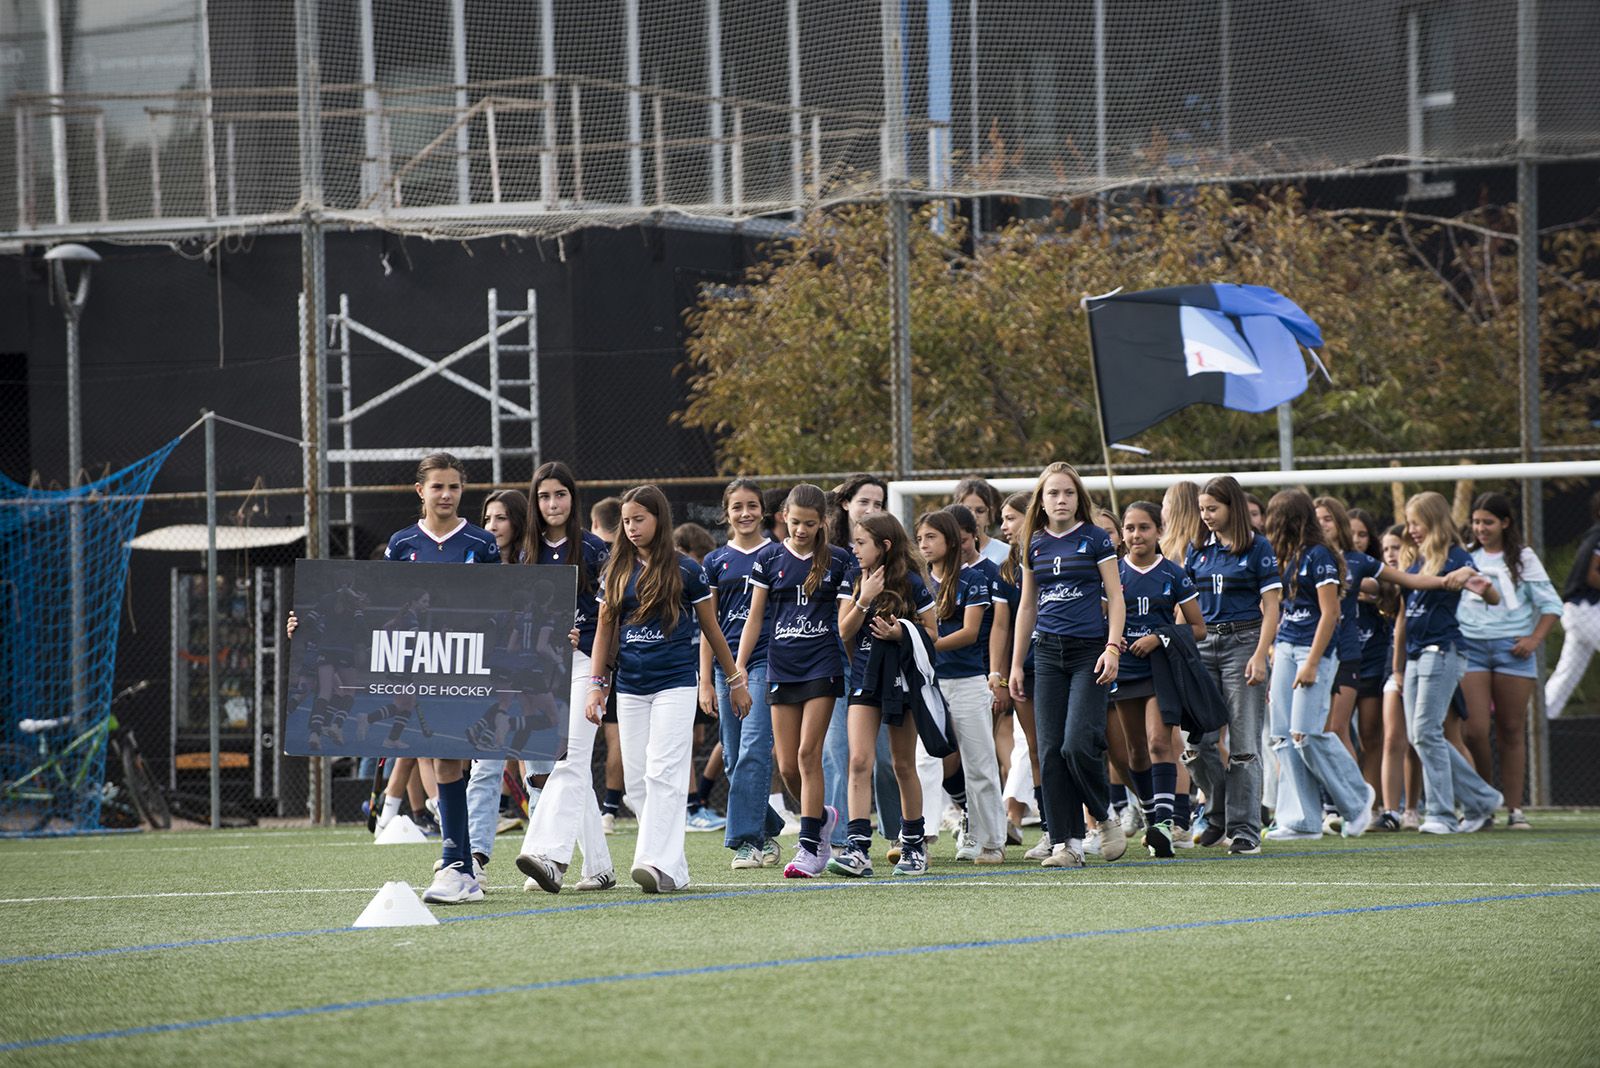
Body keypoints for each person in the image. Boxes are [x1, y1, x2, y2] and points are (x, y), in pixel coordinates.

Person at [584, 485, 749, 893]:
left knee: (664, 771)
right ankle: (673, 867)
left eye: (639, 519)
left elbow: (712, 629)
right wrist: (596, 686)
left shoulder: (687, 570)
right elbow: (605, 630)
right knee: (638, 782)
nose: (631, 527)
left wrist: (734, 680)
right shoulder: (615, 569)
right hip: (630, 686)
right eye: (625, 521)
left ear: (658, 519)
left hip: (675, 684)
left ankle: (653, 862)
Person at [365, 453, 503, 903]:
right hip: (420, 665)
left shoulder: (482, 544)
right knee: (443, 757)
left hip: (467, 664)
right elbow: (383, 609)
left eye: (455, 487)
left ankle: (457, 865)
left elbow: (501, 607)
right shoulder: (402, 543)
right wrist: (308, 624)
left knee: (452, 757)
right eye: (438, 487)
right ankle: (458, 866)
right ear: (420, 491)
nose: (446, 495)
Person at [1008, 462, 1127, 868]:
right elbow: (1027, 606)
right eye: (1053, 493)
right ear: (1041, 501)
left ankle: (1105, 815)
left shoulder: (1095, 539)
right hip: (1046, 653)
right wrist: (1015, 664)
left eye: (1068, 493)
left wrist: (1112, 647)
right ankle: (1067, 843)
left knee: (1078, 742)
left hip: (1089, 652)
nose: (1061, 500)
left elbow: (1116, 596)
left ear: (1079, 499)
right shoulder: (1034, 543)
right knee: (1051, 750)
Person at [736, 483, 854, 878]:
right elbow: (755, 618)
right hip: (780, 667)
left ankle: (809, 847)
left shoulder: (839, 561)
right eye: (794, 521)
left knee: (808, 754)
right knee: (786, 766)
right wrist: (738, 665)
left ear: (822, 523)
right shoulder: (768, 558)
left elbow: (845, 622)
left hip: (823, 665)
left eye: (809, 524)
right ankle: (822, 818)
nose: (800, 530)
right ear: (783, 515)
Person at [514, 462, 617, 894]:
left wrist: (588, 644)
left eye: (560, 494)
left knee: (570, 759)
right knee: (569, 763)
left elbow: (613, 613)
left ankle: (550, 857)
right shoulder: (526, 554)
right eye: (543, 496)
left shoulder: (595, 549)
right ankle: (600, 868)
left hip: (586, 666)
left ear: (573, 499)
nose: (552, 504)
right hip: (542, 670)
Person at [1383, 491, 1501, 835]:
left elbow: (1491, 596)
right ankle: (1482, 799)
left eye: (1417, 522)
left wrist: (1468, 577)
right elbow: (1403, 617)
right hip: (1416, 656)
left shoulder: (1457, 557)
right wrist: (1398, 666)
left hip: (1443, 650)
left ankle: (1442, 814)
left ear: (1434, 521)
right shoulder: (1413, 559)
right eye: (1409, 522)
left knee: (1426, 732)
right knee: (1420, 736)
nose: (1411, 529)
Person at [1262, 489, 1374, 841]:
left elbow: (1331, 613)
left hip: (1314, 653)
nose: (1269, 525)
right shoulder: (1287, 556)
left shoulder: (1320, 555)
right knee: (1282, 736)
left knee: (1306, 735)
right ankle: (1301, 820)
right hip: (1285, 647)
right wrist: (1273, 651)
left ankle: (1358, 799)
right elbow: (1282, 610)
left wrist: (1311, 662)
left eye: (1274, 518)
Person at [832, 512, 939, 876]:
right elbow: (844, 632)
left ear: (885, 546)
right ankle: (858, 848)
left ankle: (913, 844)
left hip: (902, 684)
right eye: (854, 542)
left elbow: (933, 634)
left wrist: (900, 634)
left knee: (902, 764)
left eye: (862, 543)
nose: (855, 549)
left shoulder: (911, 581)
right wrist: (865, 599)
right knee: (859, 761)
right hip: (864, 679)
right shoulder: (853, 577)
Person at [1185, 475, 1281, 854]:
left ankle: (1244, 831)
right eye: (1202, 509)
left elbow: (1272, 607)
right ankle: (1218, 810)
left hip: (1244, 643)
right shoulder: (1197, 549)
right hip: (1202, 644)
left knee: (1243, 745)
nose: (1206, 515)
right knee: (1196, 743)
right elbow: (1184, 605)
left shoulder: (1258, 547)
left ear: (1232, 507)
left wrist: (1260, 654)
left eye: (1213, 508)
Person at [1458, 492, 1561, 829]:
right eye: (1476, 522)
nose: (1480, 528)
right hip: (1470, 646)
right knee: (1474, 731)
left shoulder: (1523, 558)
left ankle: (1515, 809)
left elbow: (1551, 606)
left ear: (1505, 523)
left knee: (1511, 729)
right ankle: (1484, 803)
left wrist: (1533, 639)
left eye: (1487, 522)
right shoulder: (1464, 556)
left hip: (1512, 650)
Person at [701, 479, 786, 870]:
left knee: (753, 748)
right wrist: (706, 679)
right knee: (734, 761)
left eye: (752, 505)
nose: (746, 513)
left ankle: (746, 842)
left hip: (764, 662)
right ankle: (769, 830)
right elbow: (709, 625)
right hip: (724, 666)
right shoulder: (714, 561)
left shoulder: (777, 554)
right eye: (737, 507)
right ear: (726, 513)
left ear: (763, 511)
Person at [1112, 500, 1204, 857]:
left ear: (1158, 531)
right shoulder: (1113, 573)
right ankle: (1153, 817)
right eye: (1130, 528)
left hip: (1160, 670)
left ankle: (1164, 824)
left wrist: (1160, 636)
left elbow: (1199, 628)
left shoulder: (1174, 573)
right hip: (1123, 670)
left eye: (1144, 527)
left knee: (1158, 743)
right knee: (1134, 751)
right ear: (1122, 534)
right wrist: (1111, 637)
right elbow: (1102, 617)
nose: (1137, 535)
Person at [918, 509, 1007, 864]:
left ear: (951, 541)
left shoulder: (975, 579)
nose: (924, 544)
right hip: (928, 682)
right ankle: (917, 837)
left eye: (931, 538)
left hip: (968, 681)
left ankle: (991, 840)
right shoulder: (918, 581)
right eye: (920, 538)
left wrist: (924, 644)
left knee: (979, 763)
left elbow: (970, 633)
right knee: (925, 760)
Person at [462, 489, 532, 881]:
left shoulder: (535, 567)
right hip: (486, 681)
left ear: (518, 521)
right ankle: (474, 858)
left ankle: (544, 855)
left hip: (531, 682)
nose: (492, 527)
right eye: (487, 519)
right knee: (484, 770)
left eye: (501, 518)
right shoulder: (474, 567)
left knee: (537, 772)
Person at [823, 474, 890, 852]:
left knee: (885, 758)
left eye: (879, 504)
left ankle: (901, 833)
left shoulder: (887, 554)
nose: (871, 509)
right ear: (846, 504)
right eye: (864, 501)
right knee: (837, 752)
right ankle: (837, 839)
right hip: (832, 662)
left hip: (873, 666)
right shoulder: (828, 552)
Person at [1314, 495, 1385, 831]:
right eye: (1317, 519)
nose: (1322, 524)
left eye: (1327, 518)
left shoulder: (1355, 561)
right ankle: (1331, 805)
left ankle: (1357, 804)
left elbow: (1393, 582)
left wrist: (1446, 581)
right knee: (1309, 733)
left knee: (1335, 730)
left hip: (1345, 653)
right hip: (1310, 653)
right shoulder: (1309, 557)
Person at [589, 496, 628, 833]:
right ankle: (609, 809)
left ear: (596, 522)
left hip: (596, 655)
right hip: (622, 658)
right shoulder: (631, 557)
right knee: (619, 738)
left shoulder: (592, 553)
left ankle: (595, 809)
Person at [1544, 490, 1600, 720]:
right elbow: (1591, 574)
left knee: (1567, 672)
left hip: (1582, 610)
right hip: (1582, 609)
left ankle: (1542, 719)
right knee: (1567, 671)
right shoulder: (1597, 536)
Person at [955, 477, 1012, 565]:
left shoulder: (1006, 553)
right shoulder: (945, 550)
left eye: (980, 511)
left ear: (990, 514)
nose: (973, 516)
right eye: (967, 510)